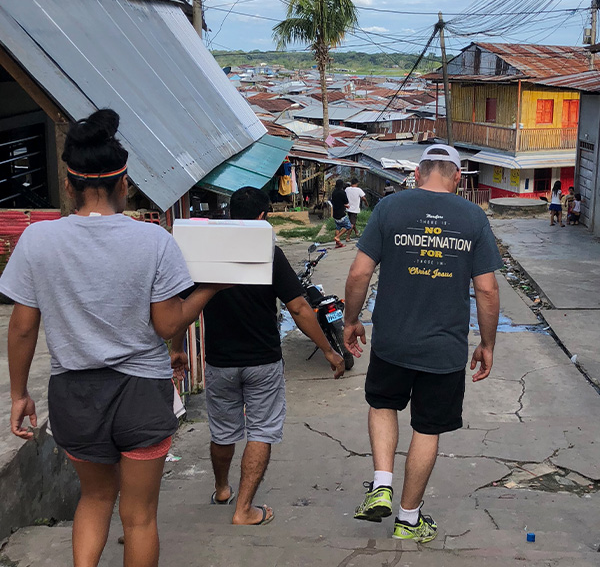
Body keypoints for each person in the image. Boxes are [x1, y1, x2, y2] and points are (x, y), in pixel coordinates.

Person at [0, 109, 224, 567]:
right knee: (138, 517)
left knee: (94, 498)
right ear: (125, 183)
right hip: (140, 393)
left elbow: (22, 326)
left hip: (73, 394)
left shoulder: (38, 240)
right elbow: (168, 326)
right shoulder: (154, 241)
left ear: (69, 185)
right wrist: (210, 289)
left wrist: (19, 393)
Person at [343, 144, 502, 543]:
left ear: (418, 173)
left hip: (392, 340)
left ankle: (381, 484)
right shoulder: (473, 217)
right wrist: (487, 343)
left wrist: (351, 320)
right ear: (457, 177)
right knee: (427, 428)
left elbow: (359, 273)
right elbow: (487, 290)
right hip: (444, 348)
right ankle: (409, 520)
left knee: (383, 404)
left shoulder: (389, 208)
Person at [170, 187, 345, 527]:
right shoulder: (269, 253)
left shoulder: (206, 256)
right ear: (263, 217)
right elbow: (299, 307)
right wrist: (328, 350)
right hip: (263, 361)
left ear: (230, 215)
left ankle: (223, 489)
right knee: (261, 431)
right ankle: (244, 509)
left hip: (220, 361)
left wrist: (178, 348)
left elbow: (182, 306)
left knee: (223, 432)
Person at [345, 177, 367, 241]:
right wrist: (366, 203)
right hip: (354, 209)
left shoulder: (347, 189)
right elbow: (363, 198)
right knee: (352, 223)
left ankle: (356, 232)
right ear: (357, 183)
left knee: (352, 221)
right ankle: (348, 237)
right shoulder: (358, 190)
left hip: (348, 208)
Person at [331, 179, 351, 248]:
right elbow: (346, 202)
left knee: (338, 227)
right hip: (341, 213)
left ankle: (337, 243)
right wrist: (346, 206)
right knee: (348, 226)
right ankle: (337, 237)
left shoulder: (334, 192)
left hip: (335, 213)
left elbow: (335, 202)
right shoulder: (342, 192)